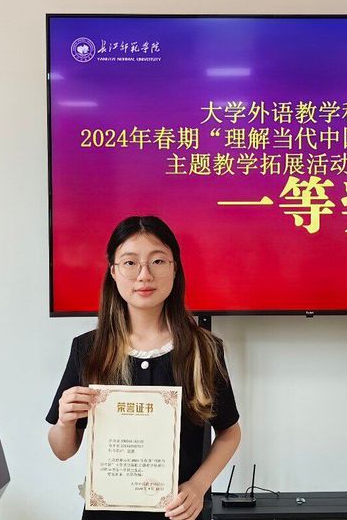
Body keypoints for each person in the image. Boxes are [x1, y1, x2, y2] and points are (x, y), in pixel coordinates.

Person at [46, 215, 241, 519]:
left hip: (180, 513)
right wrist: (64, 421)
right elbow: (63, 450)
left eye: (158, 261)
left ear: (175, 268)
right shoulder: (88, 349)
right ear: (113, 271)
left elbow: (229, 431)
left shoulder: (204, 349)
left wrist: (198, 486)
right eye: (130, 262)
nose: (144, 275)